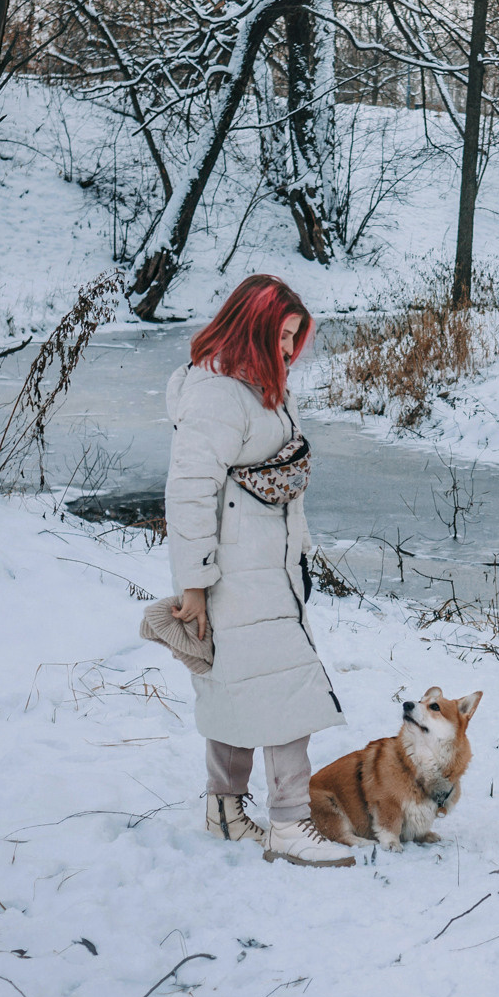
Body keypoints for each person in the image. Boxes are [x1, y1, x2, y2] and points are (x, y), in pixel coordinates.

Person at [165, 275, 355, 868]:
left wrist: (300, 557)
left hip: (269, 570)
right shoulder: (219, 395)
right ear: (253, 327)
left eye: (295, 339)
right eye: (281, 336)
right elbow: (190, 491)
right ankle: (291, 824)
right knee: (283, 692)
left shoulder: (260, 386)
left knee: (238, 685)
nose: (287, 350)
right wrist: (194, 584)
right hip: (238, 576)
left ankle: (224, 813)